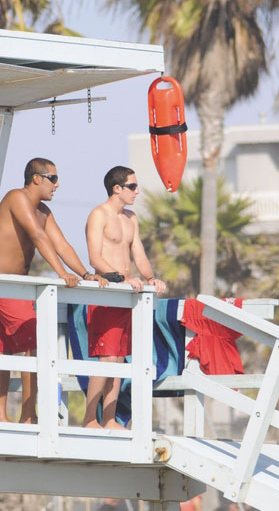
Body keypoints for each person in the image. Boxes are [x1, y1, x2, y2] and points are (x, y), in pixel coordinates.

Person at [0, 157, 107, 423]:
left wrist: (85, 273)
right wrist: (62, 274)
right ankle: (28, 416)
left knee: (3, 347)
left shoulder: (44, 211)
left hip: (20, 289)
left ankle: (0, 417)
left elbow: (62, 245)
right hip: (0, 284)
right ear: (36, 178)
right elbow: (38, 236)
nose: (57, 185)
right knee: (35, 340)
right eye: (53, 178)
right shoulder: (16, 197)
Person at [83, 166, 166, 429]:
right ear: (116, 188)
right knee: (107, 358)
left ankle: (109, 419)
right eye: (132, 187)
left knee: (119, 358)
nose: (137, 192)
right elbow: (95, 257)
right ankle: (88, 419)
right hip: (108, 293)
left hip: (127, 297)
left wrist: (151, 278)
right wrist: (121, 278)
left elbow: (138, 253)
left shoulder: (131, 218)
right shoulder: (98, 214)